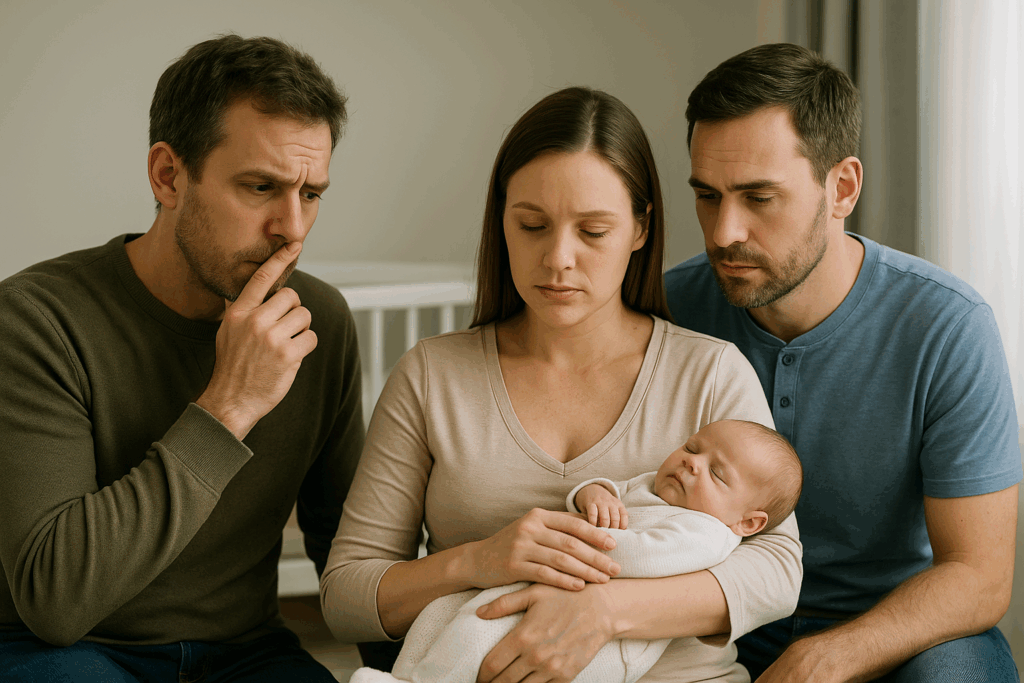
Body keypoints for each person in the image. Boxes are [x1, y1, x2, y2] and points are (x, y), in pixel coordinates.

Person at [321, 86, 802, 683]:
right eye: (532, 225)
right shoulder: (431, 376)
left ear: (639, 228)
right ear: (502, 220)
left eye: (593, 232)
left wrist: (604, 613)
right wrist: (479, 561)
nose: (557, 259)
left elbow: (777, 572)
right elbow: (344, 597)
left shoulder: (709, 372)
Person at [0, 35, 362, 682]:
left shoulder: (320, 324)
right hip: (65, 652)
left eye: (311, 194)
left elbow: (351, 547)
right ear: (169, 176)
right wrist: (230, 405)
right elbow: (55, 601)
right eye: (261, 187)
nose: (293, 228)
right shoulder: (35, 319)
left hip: (247, 653)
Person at [665, 42, 1021, 682]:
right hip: (708, 630)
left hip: (898, 638)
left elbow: (979, 574)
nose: (722, 232)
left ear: (843, 187)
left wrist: (830, 656)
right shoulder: (665, 309)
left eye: (758, 197)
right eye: (708, 196)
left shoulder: (947, 326)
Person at [348, 419, 803, 683]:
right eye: (692, 447)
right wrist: (594, 495)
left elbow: (646, 558)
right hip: (543, 578)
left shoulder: (708, 532)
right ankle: (404, 676)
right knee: (444, 612)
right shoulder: (656, 486)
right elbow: (610, 488)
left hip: (612, 643)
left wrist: (579, 541)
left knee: (480, 642)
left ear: (748, 522)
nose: (691, 462)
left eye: (717, 474)